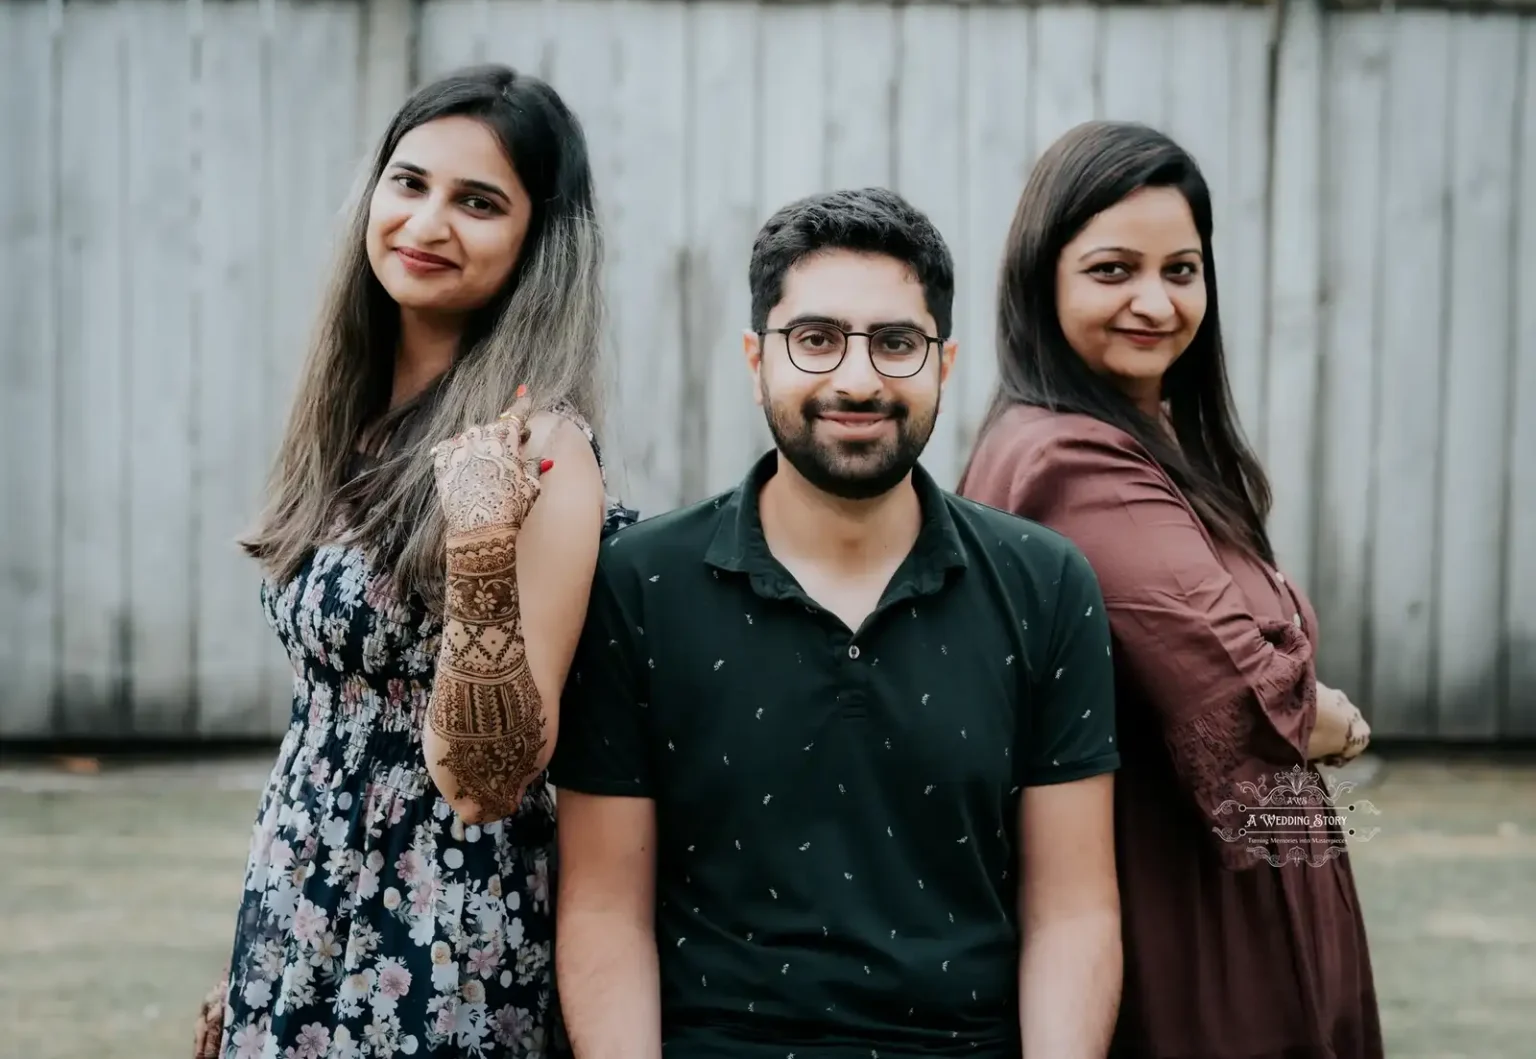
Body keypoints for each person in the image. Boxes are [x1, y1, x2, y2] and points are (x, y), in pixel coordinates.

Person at [548, 187, 1123, 1059]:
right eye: (815, 339)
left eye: (897, 343)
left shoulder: (1045, 584)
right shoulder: (639, 584)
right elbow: (601, 910)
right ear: (755, 359)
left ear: (944, 362)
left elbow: (1074, 911)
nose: (857, 379)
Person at [193, 64, 635, 1059]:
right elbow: (327, 728)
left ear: (537, 242)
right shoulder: (355, 423)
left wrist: (480, 540)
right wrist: (259, 957)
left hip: (441, 948)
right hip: (299, 920)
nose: (428, 222)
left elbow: (486, 780)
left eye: (478, 202)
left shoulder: (543, 453)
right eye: (410, 182)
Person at [958, 121, 1381, 1059]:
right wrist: (1335, 721)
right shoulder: (1072, 458)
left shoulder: (1137, 436)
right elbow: (1242, 696)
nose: (1155, 301)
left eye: (1180, 270)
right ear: (1044, 277)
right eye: (1114, 269)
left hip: (1221, 894)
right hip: (1182, 918)